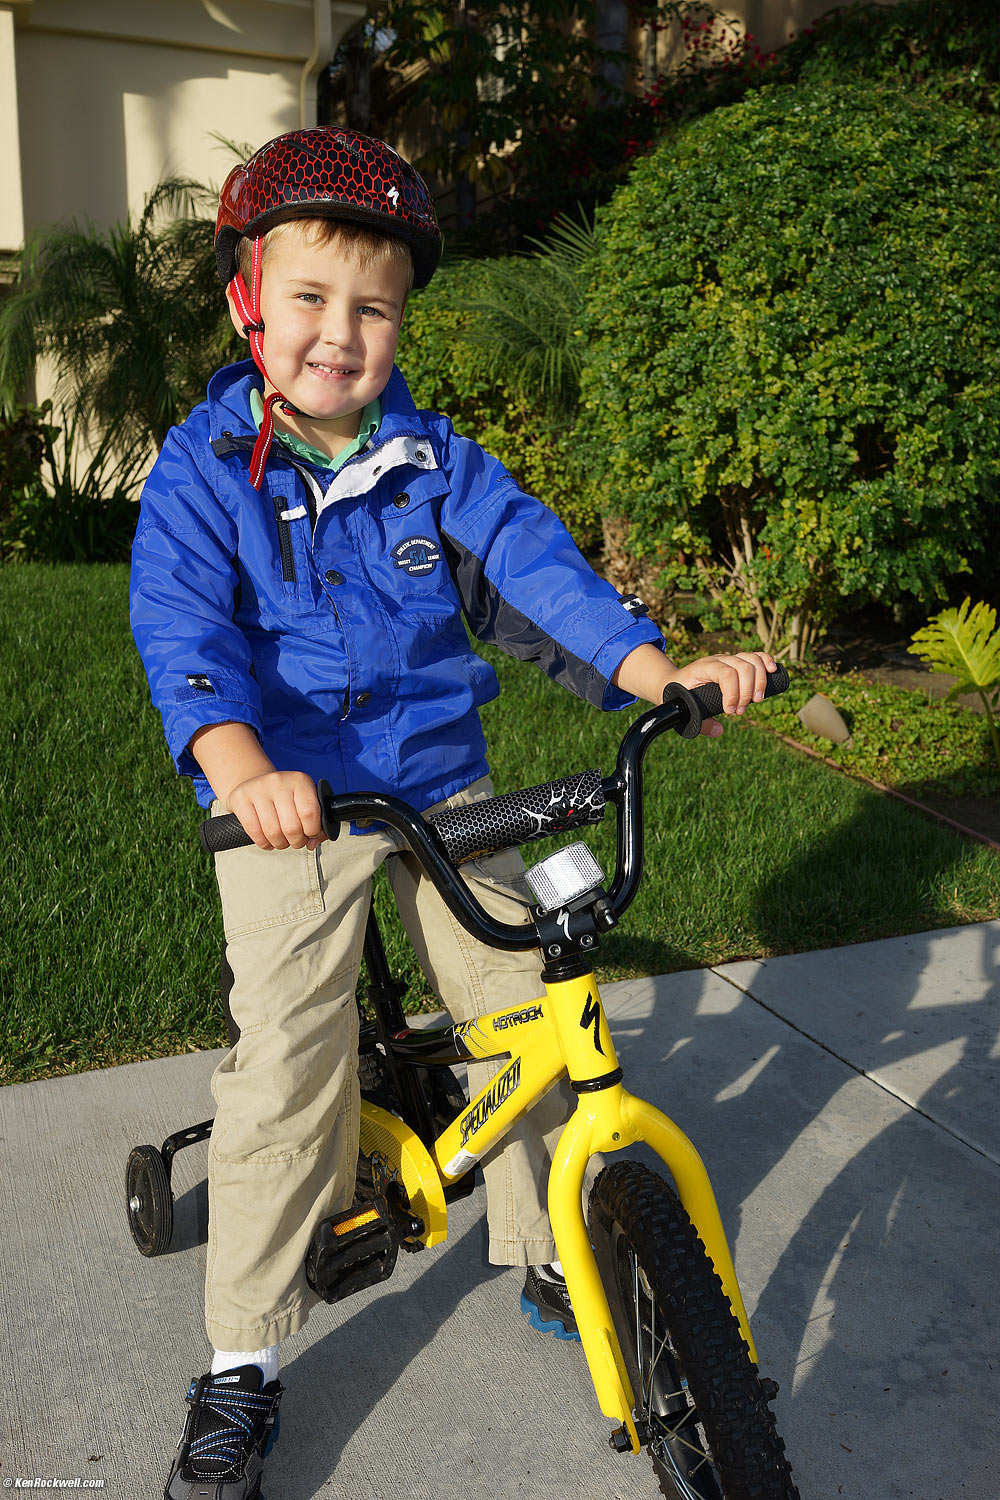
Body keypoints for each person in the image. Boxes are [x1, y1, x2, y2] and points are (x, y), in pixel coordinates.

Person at [129, 127, 776, 1500]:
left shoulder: (434, 461)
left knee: (526, 998)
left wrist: (663, 674)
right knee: (289, 1071)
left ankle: (553, 1247)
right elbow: (183, 630)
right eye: (310, 298)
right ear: (250, 299)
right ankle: (239, 1362)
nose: (338, 334)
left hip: (440, 779)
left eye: (373, 309)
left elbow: (542, 576)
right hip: (292, 805)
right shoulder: (202, 473)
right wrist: (244, 766)